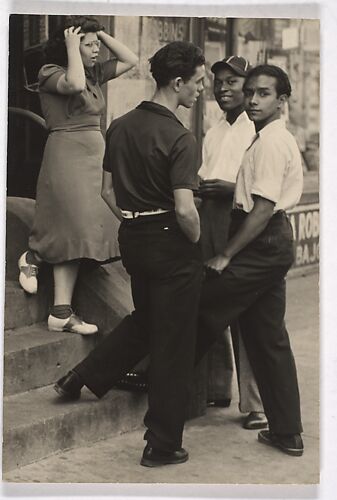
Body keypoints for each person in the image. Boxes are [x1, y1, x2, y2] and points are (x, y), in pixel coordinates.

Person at [55, 64, 304, 458]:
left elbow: (262, 210)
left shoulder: (272, 142)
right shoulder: (251, 135)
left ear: (283, 100)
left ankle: (121, 379)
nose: (252, 100)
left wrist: (224, 254)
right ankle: (287, 432)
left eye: (263, 94)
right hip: (262, 242)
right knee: (267, 337)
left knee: (185, 313)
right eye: (251, 92)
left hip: (259, 241)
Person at [55, 41, 206, 467]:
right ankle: (161, 444)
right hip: (170, 240)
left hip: (134, 237)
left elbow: (106, 191)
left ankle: (82, 375)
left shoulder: (119, 125)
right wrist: (193, 242)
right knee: (174, 342)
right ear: (177, 82)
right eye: (197, 83)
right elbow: (184, 209)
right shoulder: (180, 136)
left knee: (149, 319)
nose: (200, 91)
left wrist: (135, 218)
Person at [18, 15, 138, 334]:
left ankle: (59, 311)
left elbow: (132, 59)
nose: (97, 49)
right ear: (70, 45)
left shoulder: (93, 73)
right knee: (72, 226)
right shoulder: (50, 72)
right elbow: (73, 84)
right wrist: (72, 45)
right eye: (89, 44)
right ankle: (34, 257)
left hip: (94, 155)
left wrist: (99, 32)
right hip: (66, 153)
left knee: (88, 230)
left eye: (97, 43)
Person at [197, 56, 267, 430]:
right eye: (218, 82)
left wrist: (228, 188)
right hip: (208, 217)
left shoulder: (254, 129)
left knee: (244, 310)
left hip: (237, 219)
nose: (223, 88)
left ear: (248, 88)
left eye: (232, 82)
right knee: (209, 303)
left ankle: (256, 404)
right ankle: (217, 386)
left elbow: (262, 190)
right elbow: (205, 174)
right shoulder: (214, 130)